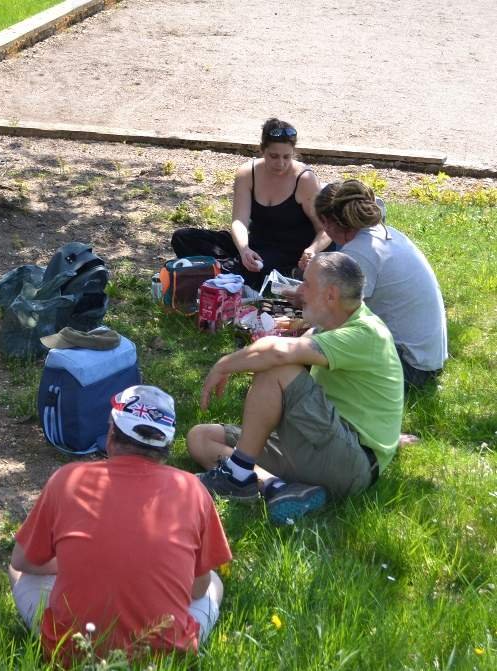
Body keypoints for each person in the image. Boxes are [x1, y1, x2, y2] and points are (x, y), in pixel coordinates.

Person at [9, 385, 231, 662]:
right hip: (162, 658)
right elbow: (197, 588)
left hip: (73, 652)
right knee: (213, 583)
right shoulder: (193, 490)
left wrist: (73, 562)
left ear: (111, 434)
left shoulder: (67, 479)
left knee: (20, 572)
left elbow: (22, 560)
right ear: (166, 447)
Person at [187, 252, 404, 524]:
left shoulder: (366, 333)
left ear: (331, 295)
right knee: (201, 438)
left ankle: (239, 475)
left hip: (348, 462)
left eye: (307, 284)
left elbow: (278, 352)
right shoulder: (335, 323)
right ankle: (277, 487)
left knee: (277, 367)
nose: (300, 291)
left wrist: (224, 365)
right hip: (319, 443)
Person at [314, 180, 447, 388]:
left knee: (314, 361)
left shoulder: (357, 253)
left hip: (409, 368)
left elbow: (332, 320)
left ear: (327, 222)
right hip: (427, 360)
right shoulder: (387, 234)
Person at [171, 118, 330, 287]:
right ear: (262, 150)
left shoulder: (304, 179)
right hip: (255, 243)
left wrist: (312, 250)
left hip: (287, 253)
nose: (281, 163)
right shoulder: (248, 173)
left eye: (287, 157)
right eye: (274, 156)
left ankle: (214, 272)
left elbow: (326, 229)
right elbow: (239, 221)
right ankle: (223, 270)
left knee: (244, 269)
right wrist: (244, 249)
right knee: (183, 238)